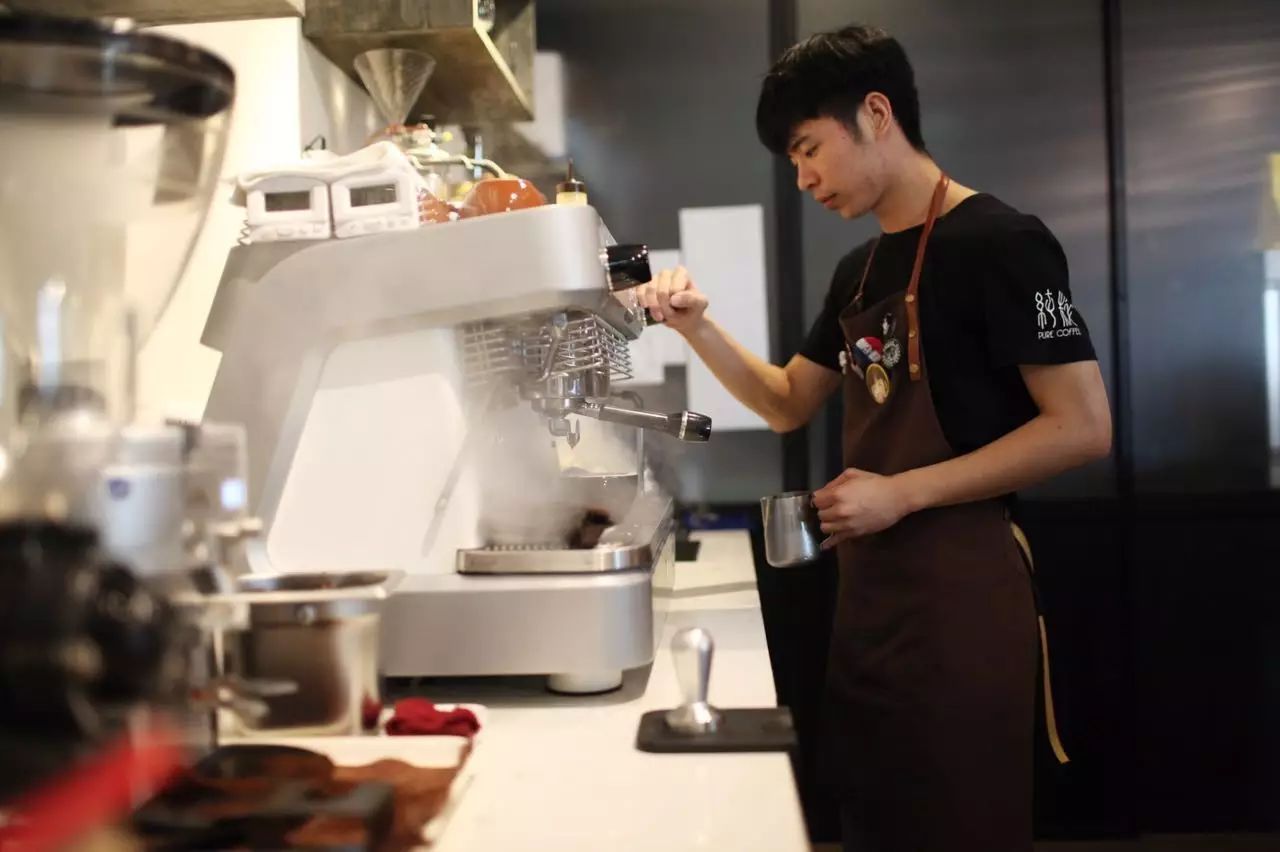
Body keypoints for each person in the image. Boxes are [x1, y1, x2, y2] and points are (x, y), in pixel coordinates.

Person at [636, 23, 1112, 852]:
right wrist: (695, 327)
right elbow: (787, 402)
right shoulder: (857, 272)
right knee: (876, 819)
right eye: (793, 160)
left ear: (877, 114)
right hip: (871, 600)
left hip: (962, 598)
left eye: (809, 149)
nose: (803, 178)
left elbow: (1082, 427)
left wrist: (902, 492)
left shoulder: (1004, 242)